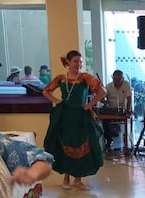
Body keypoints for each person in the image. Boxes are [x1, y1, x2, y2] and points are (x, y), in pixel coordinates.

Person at [42, 49, 106, 190]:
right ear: (68, 62)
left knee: (83, 145)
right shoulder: (61, 78)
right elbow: (45, 91)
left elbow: (102, 91)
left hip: (81, 116)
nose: (78, 64)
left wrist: (89, 104)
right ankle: (66, 177)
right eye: (75, 61)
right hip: (65, 115)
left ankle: (78, 179)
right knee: (65, 143)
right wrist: (56, 101)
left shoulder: (85, 77)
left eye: (80, 62)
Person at [102, 70, 133, 149]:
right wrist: (105, 102)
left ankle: (126, 139)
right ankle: (109, 140)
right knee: (105, 121)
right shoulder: (108, 86)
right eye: (115, 79)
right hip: (111, 109)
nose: (117, 81)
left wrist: (128, 111)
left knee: (126, 120)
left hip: (123, 109)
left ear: (122, 79)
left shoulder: (126, 84)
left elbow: (129, 99)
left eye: (119, 79)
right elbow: (100, 97)